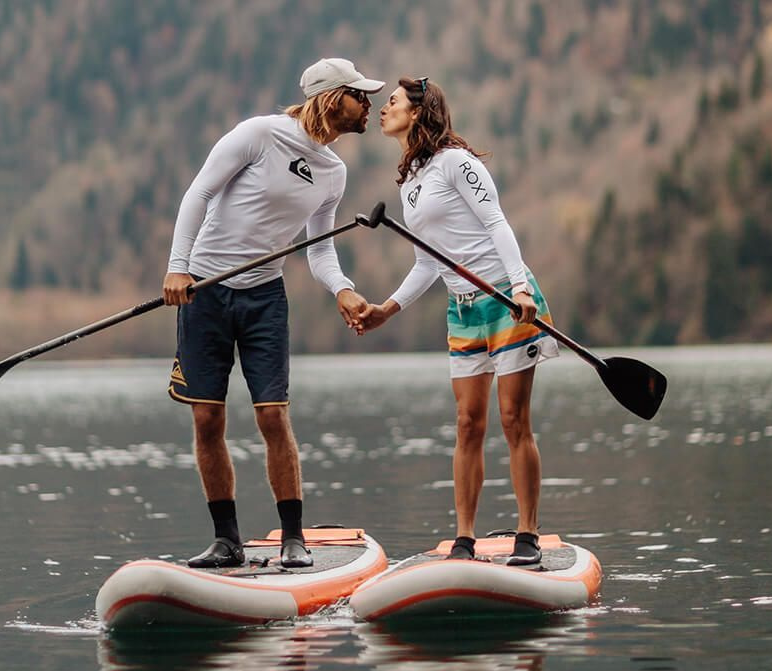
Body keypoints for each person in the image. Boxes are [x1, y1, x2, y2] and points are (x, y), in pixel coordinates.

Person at [162, 58, 384, 568]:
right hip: (206, 292)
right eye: (359, 94)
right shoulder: (259, 134)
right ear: (331, 97)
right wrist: (178, 268)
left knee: (273, 418)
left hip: (264, 298)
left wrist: (342, 289)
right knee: (207, 418)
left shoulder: (334, 172)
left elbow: (319, 250)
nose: (368, 104)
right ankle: (226, 540)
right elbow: (199, 193)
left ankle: (292, 538)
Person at [360, 77, 559, 564]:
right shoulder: (409, 181)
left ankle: (527, 535)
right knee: (468, 423)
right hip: (462, 310)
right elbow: (428, 262)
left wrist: (518, 287)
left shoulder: (457, 163)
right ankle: (464, 539)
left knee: (514, 420)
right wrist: (388, 308)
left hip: (507, 301)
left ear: (419, 111)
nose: (383, 109)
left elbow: (496, 223)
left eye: (392, 102)